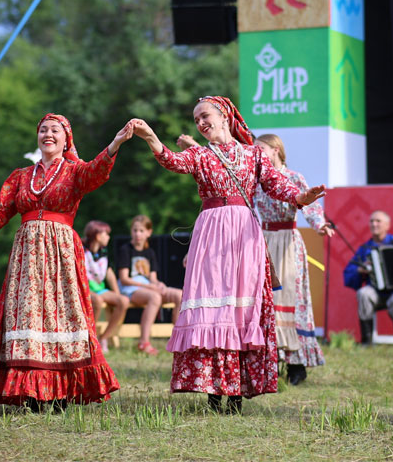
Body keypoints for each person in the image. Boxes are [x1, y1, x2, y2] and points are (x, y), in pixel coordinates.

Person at [130, 96, 326, 414]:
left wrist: (302, 197)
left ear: (224, 116)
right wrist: (152, 138)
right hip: (211, 231)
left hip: (244, 233)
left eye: (205, 115)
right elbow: (173, 161)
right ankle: (213, 392)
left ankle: (235, 394)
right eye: (196, 120)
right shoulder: (200, 154)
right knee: (213, 308)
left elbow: (278, 185)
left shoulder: (252, 154)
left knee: (239, 309)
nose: (201, 123)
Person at [0, 113, 132, 410]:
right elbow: (1, 210)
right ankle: (30, 392)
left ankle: (62, 392)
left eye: (55, 130)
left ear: (67, 139)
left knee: (63, 314)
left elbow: (97, 172)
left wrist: (116, 143)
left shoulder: (74, 170)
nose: (48, 134)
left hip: (61, 252)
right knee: (28, 316)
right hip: (27, 256)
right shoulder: (21, 176)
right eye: (43, 130)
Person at [254, 133, 334, 386]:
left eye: (261, 149)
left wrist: (320, 225)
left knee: (292, 297)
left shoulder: (293, 177)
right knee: (266, 300)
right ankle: (272, 358)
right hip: (264, 240)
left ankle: (296, 363)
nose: (257, 153)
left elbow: (309, 205)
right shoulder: (256, 179)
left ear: (276, 149)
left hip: (288, 240)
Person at [343, 211, 393, 348]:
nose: (374, 224)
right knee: (363, 293)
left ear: (387, 225)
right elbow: (349, 271)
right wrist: (360, 270)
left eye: (378, 221)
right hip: (375, 292)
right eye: (371, 221)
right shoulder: (365, 249)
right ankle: (366, 341)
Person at [116, 214, 182, 356]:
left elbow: (152, 278)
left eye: (141, 231)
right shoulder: (125, 250)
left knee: (179, 295)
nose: (137, 234)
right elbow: (124, 279)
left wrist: (160, 284)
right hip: (130, 289)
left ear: (148, 232)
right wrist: (151, 287)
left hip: (148, 287)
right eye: (135, 230)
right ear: (131, 232)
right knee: (155, 297)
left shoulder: (150, 252)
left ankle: (178, 339)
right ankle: (144, 342)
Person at [83, 220, 130, 354]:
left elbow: (109, 273)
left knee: (123, 301)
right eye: (106, 234)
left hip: (99, 288)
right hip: (85, 288)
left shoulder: (103, 251)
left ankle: (104, 337)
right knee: (97, 300)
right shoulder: (81, 249)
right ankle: (89, 337)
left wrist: (117, 293)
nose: (108, 237)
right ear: (98, 236)